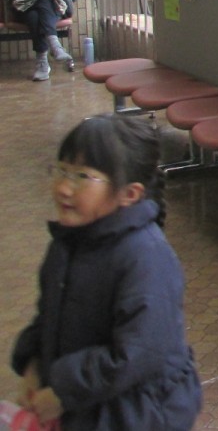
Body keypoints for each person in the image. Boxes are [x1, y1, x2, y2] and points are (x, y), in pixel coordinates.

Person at [10, 114, 202, 430]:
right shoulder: (68, 242)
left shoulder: (145, 258)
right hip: (88, 400)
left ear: (129, 194)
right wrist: (34, 363)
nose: (64, 188)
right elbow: (49, 314)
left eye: (82, 177)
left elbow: (137, 353)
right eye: (62, 170)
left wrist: (62, 392)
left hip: (138, 412)